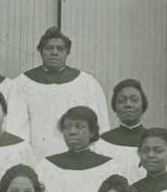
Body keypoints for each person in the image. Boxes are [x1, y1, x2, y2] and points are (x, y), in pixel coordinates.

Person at [13, 26, 109, 160]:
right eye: (49, 48)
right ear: (40, 51)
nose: (54, 52)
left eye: (60, 49)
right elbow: (16, 128)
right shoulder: (21, 84)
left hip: (78, 158)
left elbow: (101, 126)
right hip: (36, 158)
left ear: (67, 52)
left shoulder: (86, 83)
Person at [91, 78, 150, 178]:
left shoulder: (158, 142)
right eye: (121, 101)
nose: (128, 104)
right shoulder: (101, 144)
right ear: (115, 107)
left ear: (143, 105)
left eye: (134, 100)